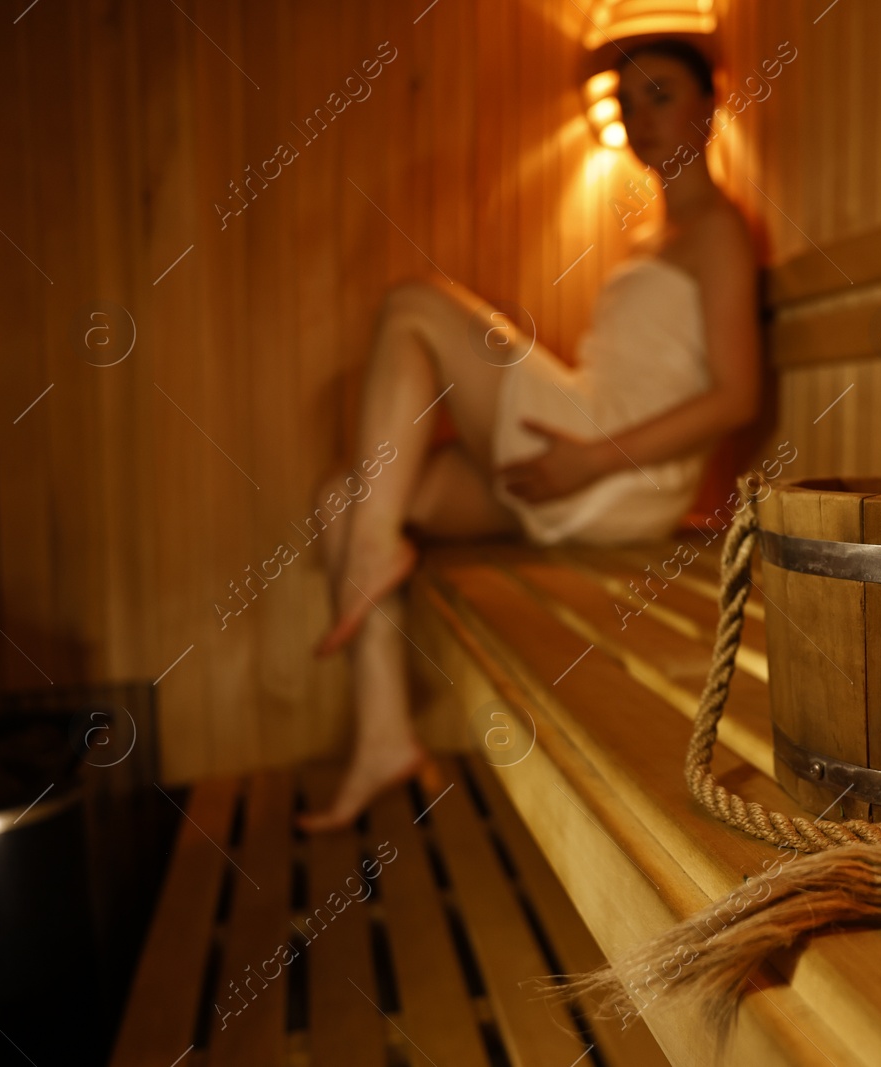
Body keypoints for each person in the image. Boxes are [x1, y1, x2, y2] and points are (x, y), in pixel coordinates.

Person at [297, 38, 763, 832]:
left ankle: (375, 551)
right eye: (628, 99)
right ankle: (382, 733)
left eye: (661, 95)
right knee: (349, 494)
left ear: (709, 107)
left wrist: (591, 456)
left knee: (413, 304)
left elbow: (737, 395)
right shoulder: (652, 238)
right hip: (587, 465)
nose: (639, 114)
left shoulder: (717, 230)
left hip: (613, 469)